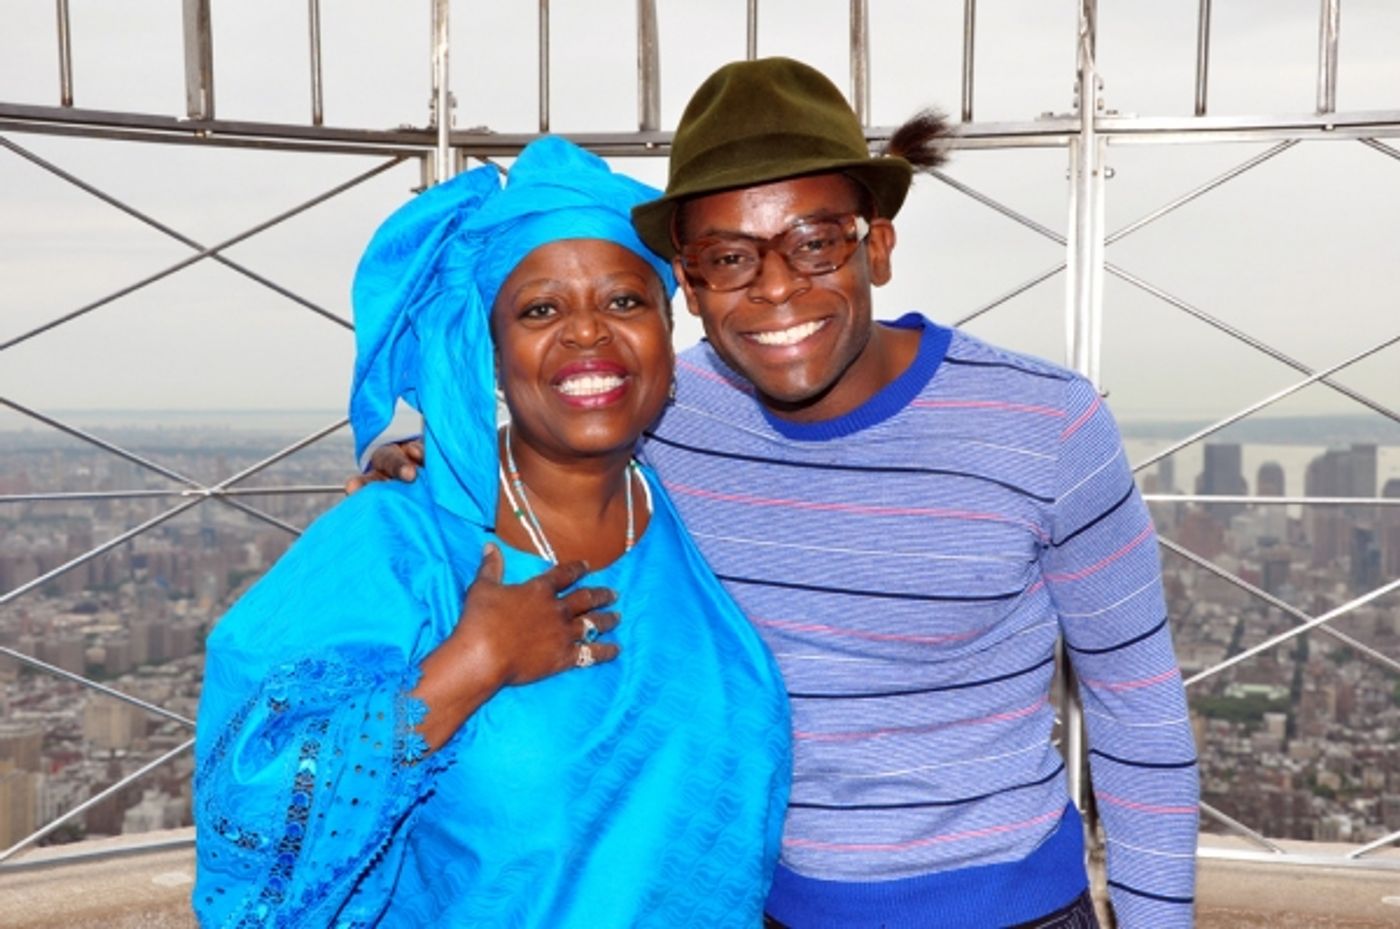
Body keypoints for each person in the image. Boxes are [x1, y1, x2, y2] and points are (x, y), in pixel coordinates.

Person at [359, 58, 1200, 928]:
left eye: (814, 241)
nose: (776, 287)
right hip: (762, 907)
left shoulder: (1045, 423)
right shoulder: (667, 420)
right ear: (688, 284)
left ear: (876, 243)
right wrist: (431, 454)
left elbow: (1137, 710)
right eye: (729, 257)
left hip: (1013, 909)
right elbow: (558, 440)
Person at [193, 136, 791, 928]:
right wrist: (465, 669)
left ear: (666, 338)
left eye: (624, 301)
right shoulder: (396, 545)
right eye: (540, 309)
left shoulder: (704, 505)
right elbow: (249, 812)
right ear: (492, 355)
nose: (588, 333)